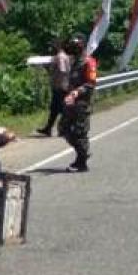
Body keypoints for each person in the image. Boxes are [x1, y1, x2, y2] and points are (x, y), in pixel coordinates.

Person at [59, 34, 97, 173]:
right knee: (63, 129)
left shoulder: (89, 62)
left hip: (82, 104)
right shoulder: (74, 62)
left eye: (76, 45)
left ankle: (81, 161)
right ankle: (82, 152)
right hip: (70, 103)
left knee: (80, 133)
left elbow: (91, 83)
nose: (74, 47)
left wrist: (77, 92)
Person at [36, 40, 70, 136]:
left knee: (61, 108)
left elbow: (62, 70)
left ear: (58, 46)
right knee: (54, 109)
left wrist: (52, 72)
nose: (51, 48)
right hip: (62, 86)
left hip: (60, 87)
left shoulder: (60, 57)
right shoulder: (64, 56)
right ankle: (48, 128)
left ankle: (65, 128)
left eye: (53, 46)